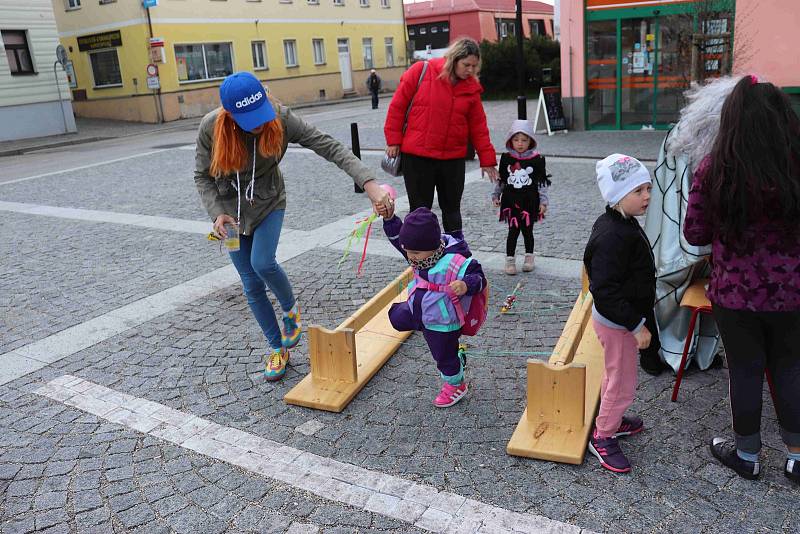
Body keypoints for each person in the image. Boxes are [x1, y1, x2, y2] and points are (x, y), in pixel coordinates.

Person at [194, 71, 392, 381]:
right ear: (230, 115)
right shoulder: (211, 128)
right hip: (230, 213)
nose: (259, 124)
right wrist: (217, 213)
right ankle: (277, 349)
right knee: (250, 283)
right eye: (249, 119)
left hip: (269, 201)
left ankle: (290, 309)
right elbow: (201, 176)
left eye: (260, 115)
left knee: (262, 262)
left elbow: (329, 146)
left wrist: (368, 182)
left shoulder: (280, 117)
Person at [683, 75, 800, 484]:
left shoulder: (717, 169)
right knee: (790, 367)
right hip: (793, 293)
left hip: (736, 294)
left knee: (745, 370)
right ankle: (797, 457)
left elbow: (694, 234)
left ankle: (747, 455)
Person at [583, 154, 656, 473]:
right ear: (616, 195)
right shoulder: (612, 235)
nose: (647, 196)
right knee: (622, 381)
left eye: (648, 189)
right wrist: (636, 325)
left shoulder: (621, 222)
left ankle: (611, 417)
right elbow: (605, 290)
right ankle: (603, 435)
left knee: (617, 375)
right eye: (638, 191)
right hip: (618, 323)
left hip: (620, 319)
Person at [384, 38, 499, 238]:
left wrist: (487, 160)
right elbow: (397, 106)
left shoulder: (471, 89)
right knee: (420, 210)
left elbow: (478, 127)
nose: (470, 70)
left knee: (452, 209)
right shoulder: (421, 71)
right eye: (466, 65)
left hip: (452, 159)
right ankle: (420, 252)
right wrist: (393, 140)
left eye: (474, 66)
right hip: (419, 157)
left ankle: (456, 251)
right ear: (454, 60)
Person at [382, 207, 487, 407]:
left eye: (415, 253)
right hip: (421, 310)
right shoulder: (418, 254)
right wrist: (389, 219)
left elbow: (479, 278)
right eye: (407, 252)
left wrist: (465, 285)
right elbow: (398, 240)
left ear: (433, 246)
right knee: (396, 317)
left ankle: (456, 385)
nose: (410, 257)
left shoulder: (455, 262)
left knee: (443, 355)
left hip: (443, 321)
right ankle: (454, 359)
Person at [491, 119, 550, 275]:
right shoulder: (506, 158)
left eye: (524, 140)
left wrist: (543, 201)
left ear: (531, 140)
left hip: (529, 202)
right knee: (513, 231)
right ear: (511, 140)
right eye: (516, 140)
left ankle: (529, 257)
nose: (520, 143)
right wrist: (496, 194)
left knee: (527, 231)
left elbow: (541, 183)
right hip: (511, 201)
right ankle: (510, 260)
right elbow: (501, 179)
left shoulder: (537, 160)